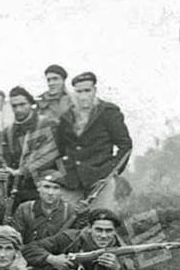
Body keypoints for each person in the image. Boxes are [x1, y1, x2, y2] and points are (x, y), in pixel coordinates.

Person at [54, 72, 133, 206]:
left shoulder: (108, 112)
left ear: (94, 90)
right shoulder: (66, 116)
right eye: (79, 92)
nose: (83, 96)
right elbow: (59, 150)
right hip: (71, 182)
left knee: (100, 216)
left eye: (87, 91)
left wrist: (110, 171)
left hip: (100, 180)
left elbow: (125, 145)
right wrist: (63, 172)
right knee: (65, 216)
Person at [22, 208, 126, 270]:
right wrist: (52, 259)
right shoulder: (70, 238)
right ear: (89, 228)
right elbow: (29, 248)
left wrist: (118, 269)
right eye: (99, 230)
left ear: (115, 231)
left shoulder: (123, 250)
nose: (103, 235)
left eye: (109, 231)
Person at [0, 86, 58, 208]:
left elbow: (49, 156)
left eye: (22, 104)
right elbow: (5, 158)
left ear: (31, 104)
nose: (18, 109)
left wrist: (22, 171)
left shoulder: (46, 124)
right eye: (14, 106)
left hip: (43, 185)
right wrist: (5, 170)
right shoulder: (9, 131)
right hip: (17, 187)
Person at [12, 171, 76, 244]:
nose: (50, 193)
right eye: (46, 187)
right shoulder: (25, 209)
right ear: (38, 188)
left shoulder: (70, 211)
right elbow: (15, 238)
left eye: (56, 188)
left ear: (61, 191)